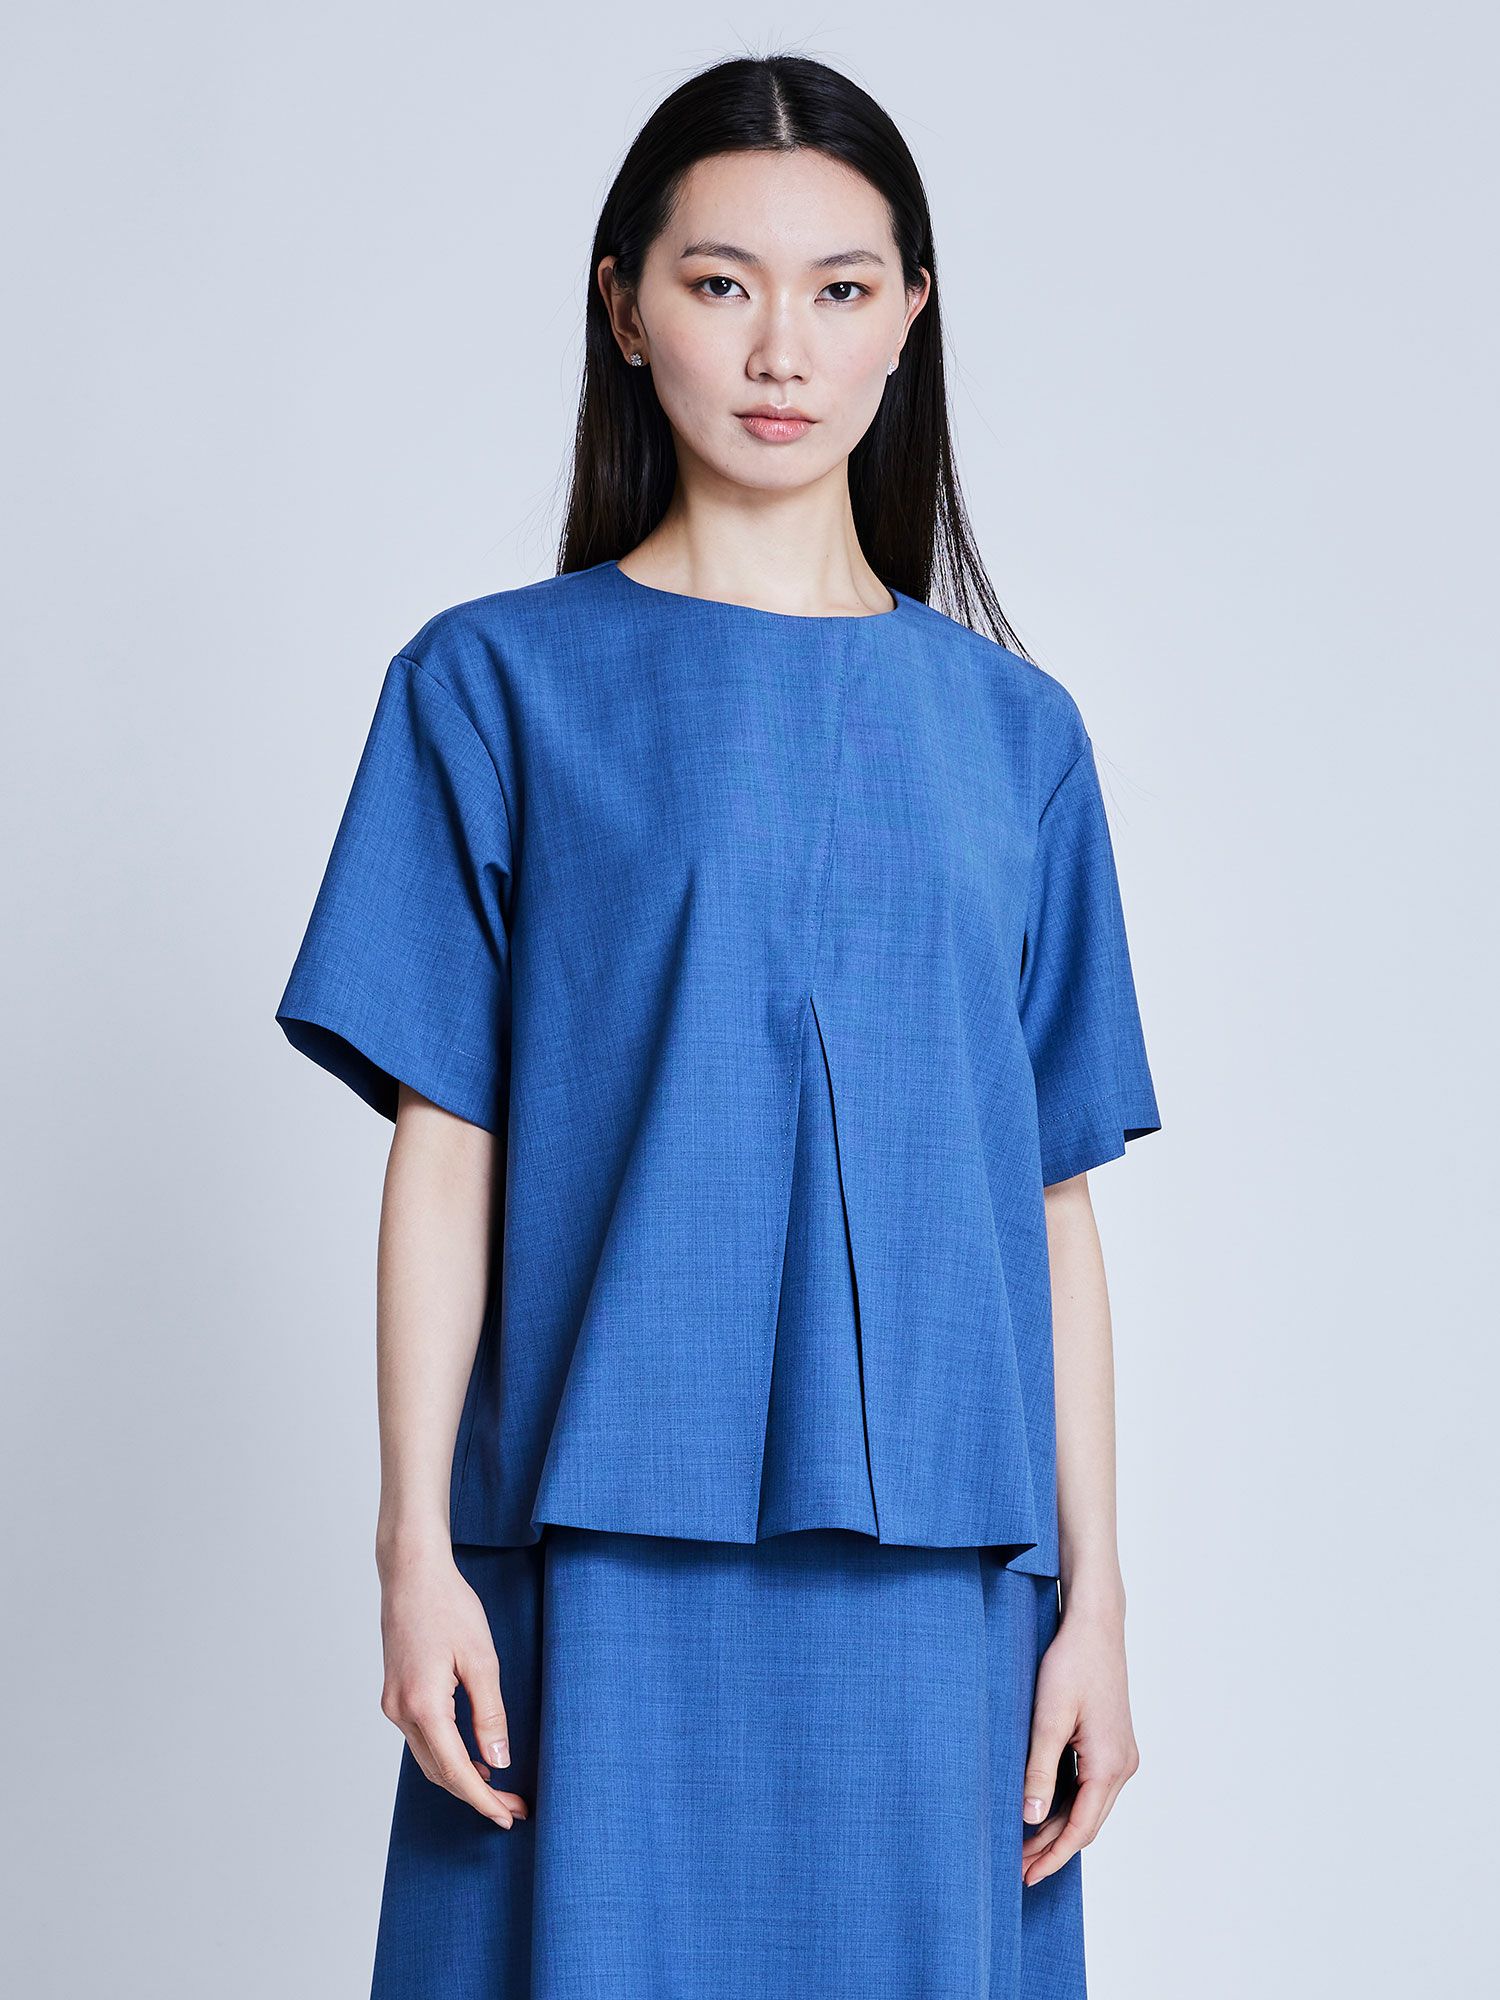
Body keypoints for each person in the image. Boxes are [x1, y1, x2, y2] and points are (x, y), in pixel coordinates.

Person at [275, 50, 1162, 2000]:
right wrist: (411, 1548)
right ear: (625, 305)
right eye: (720, 282)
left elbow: (1053, 1203)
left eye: (840, 288)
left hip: (946, 1585)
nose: (782, 348)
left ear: (910, 316)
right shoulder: (492, 688)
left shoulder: (1019, 739)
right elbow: (448, 1149)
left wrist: (1099, 1599)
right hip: (592, 1548)